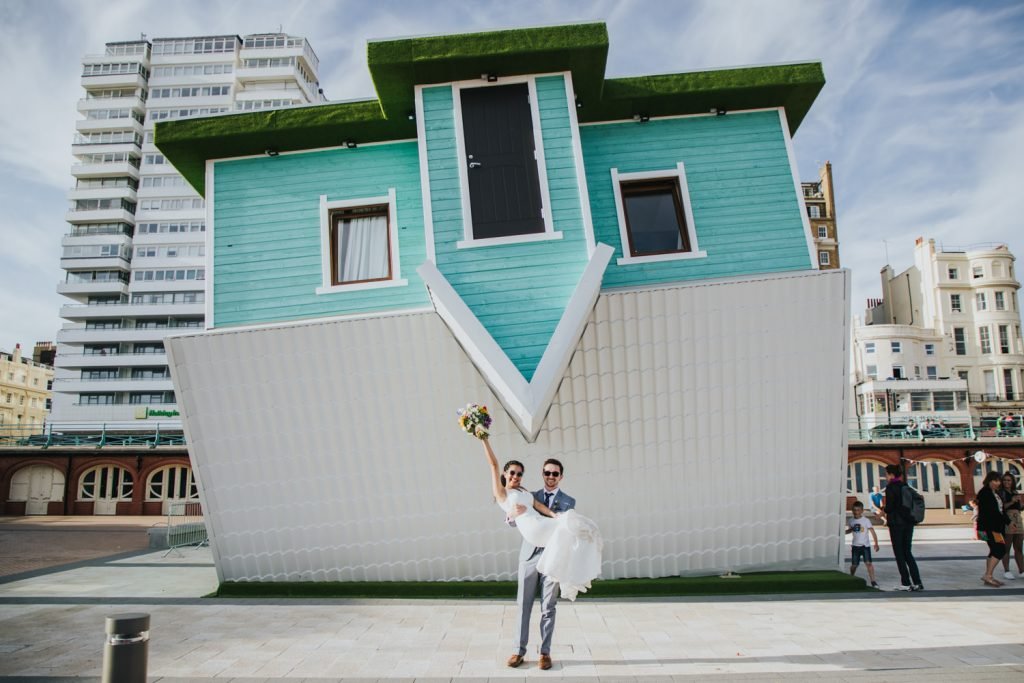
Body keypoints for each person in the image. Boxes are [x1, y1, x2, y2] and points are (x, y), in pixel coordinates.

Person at [480, 440, 602, 670]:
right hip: (529, 556)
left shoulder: (566, 501)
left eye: (555, 473)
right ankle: (518, 651)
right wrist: (510, 516)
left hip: (554, 555)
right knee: (523, 605)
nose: (550, 476)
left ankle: (545, 653)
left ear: (560, 476)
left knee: (548, 606)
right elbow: (512, 512)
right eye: (547, 472)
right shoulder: (519, 492)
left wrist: (558, 518)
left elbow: (546, 513)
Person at [883, 463, 923, 591]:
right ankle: (917, 582)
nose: (885, 476)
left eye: (886, 474)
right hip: (908, 523)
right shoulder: (904, 486)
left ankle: (905, 582)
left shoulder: (890, 488)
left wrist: (883, 509)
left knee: (899, 554)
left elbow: (889, 507)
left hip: (896, 524)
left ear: (891, 474)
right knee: (907, 552)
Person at [977, 471, 1008, 587]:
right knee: (1000, 550)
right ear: (989, 481)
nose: (997, 483)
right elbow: (993, 512)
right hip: (989, 528)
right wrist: (1006, 521)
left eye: (999, 481)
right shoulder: (985, 493)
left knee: (994, 550)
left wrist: (1008, 522)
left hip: (996, 527)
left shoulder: (996, 493)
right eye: (995, 480)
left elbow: (1001, 510)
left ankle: (988, 576)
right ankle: (988, 576)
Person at [846, 502, 880, 588]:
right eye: (854, 510)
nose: (856, 512)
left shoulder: (866, 521)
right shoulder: (851, 521)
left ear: (862, 511)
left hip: (865, 546)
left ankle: (873, 581)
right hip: (855, 546)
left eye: (858, 510)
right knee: (854, 564)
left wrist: (876, 543)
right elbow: (850, 530)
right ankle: (851, 576)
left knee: (868, 563)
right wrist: (845, 532)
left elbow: (872, 531)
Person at [999, 472, 1023, 580]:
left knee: (1018, 547)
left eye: (1009, 480)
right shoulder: (1001, 492)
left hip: (1018, 519)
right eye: (1004, 480)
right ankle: (1007, 571)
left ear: (1012, 481)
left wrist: (1021, 504)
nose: (1006, 482)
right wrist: (1012, 501)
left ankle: (1022, 570)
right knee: (1006, 547)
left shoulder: (1015, 491)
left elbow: (1019, 507)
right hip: (1008, 519)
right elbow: (1001, 507)